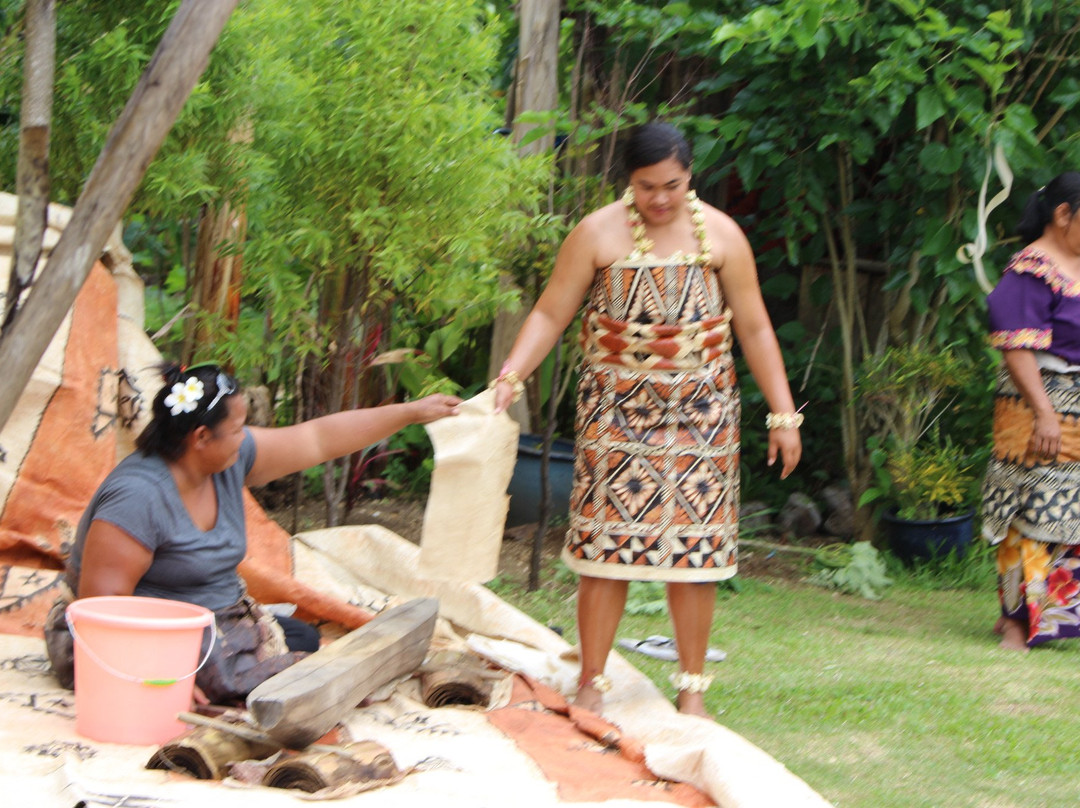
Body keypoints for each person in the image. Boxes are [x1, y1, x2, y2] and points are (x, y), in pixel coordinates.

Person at [492, 122, 802, 717]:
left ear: (690, 175)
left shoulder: (724, 235)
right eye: (646, 186)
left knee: (696, 554)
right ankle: (591, 682)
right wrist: (512, 375)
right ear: (626, 181)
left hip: (703, 411)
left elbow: (756, 327)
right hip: (616, 409)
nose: (660, 199)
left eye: (673, 185)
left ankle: (692, 689)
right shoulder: (595, 233)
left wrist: (783, 414)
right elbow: (552, 312)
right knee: (604, 551)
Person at [45, 362, 460, 703]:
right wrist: (159, 680)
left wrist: (410, 412)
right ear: (201, 437)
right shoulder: (137, 497)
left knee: (303, 639)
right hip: (136, 640)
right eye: (238, 428)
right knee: (287, 682)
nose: (245, 438)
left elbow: (316, 439)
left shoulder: (223, 460)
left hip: (213, 621)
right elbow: (101, 609)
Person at [982, 171, 1080, 652]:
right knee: (1032, 510)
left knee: (1072, 516)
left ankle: (1054, 619)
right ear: (1063, 215)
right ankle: (1017, 623)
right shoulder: (1031, 268)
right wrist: (1043, 412)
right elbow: (1017, 347)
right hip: (1038, 402)